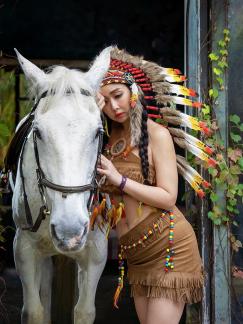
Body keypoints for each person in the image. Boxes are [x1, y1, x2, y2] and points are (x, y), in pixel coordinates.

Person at [93, 47, 213, 324]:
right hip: (136, 257)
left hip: (168, 249)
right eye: (105, 101)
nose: (114, 107)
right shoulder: (106, 143)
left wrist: (119, 179)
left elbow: (168, 197)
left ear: (133, 91)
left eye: (118, 96)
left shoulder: (157, 135)